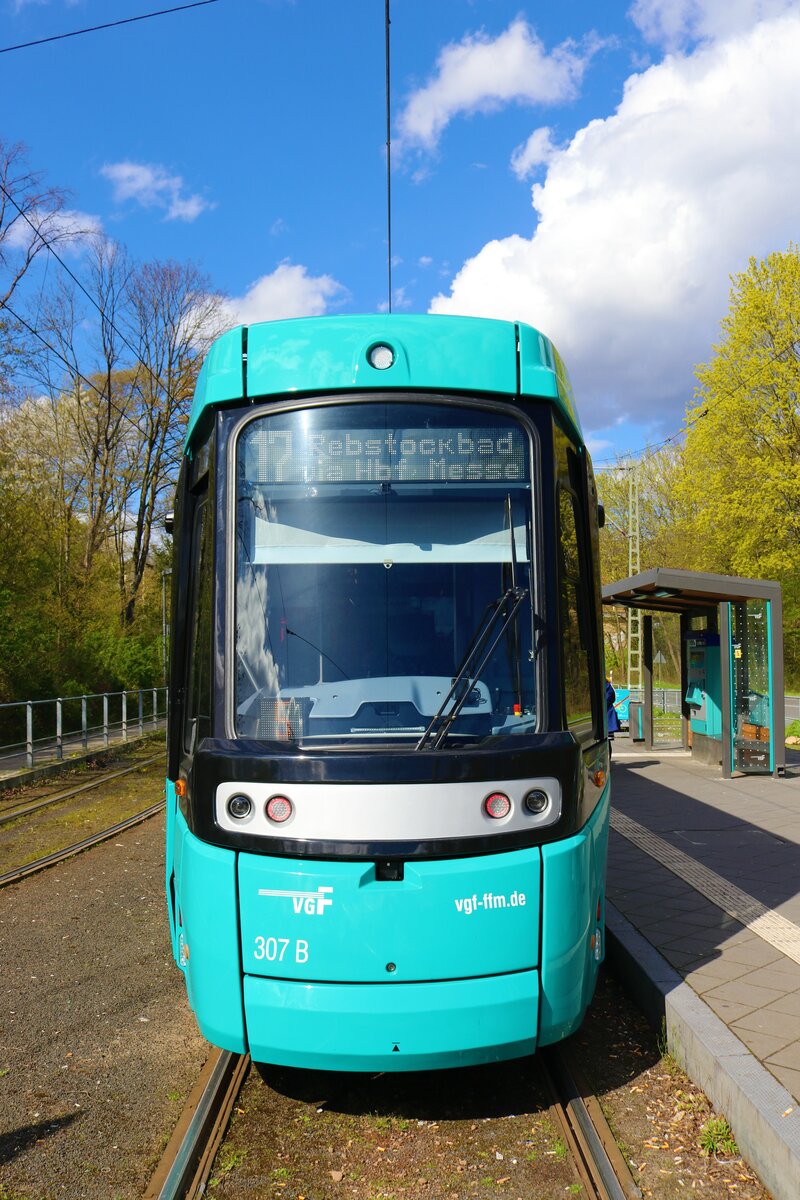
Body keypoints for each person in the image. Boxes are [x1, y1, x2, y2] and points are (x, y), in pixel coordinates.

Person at [606, 677, 621, 752]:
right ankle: (608, 759)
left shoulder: (606, 686)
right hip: (609, 716)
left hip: (606, 717)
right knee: (607, 742)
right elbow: (612, 698)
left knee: (605, 741)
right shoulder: (608, 686)